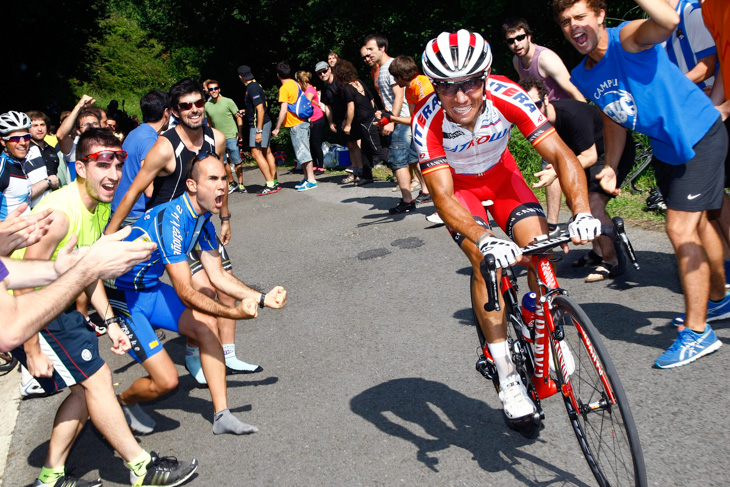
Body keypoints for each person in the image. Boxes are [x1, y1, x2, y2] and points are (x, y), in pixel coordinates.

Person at [415, 29, 599, 422]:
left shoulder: (508, 94)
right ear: (434, 87)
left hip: (502, 178)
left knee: (539, 251)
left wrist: (582, 211)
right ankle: (507, 373)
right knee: (490, 266)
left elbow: (562, 155)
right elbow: (443, 197)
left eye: (470, 84)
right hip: (458, 189)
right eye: (447, 88)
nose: (460, 97)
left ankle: (546, 326)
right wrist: (484, 239)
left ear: (485, 76)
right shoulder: (425, 121)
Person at [11, 128, 197, 487]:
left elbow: (89, 267)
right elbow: (25, 281)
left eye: (118, 163)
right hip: (30, 305)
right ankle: (142, 467)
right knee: (97, 380)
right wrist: (31, 349)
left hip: (56, 302)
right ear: (81, 167)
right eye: (102, 164)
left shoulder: (98, 204)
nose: (112, 174)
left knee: (85, 387)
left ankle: (49, 480)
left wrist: (110, 321)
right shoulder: (61, 214)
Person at [552, 0, 729, 368]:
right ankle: (718, 298)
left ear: (601, 16)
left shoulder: (627, 39)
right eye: (566, 21)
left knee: (680, 227)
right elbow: (614, 116)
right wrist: (612, 165)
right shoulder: (583, 74)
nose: (573, 26)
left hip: (699, 135)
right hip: (668, 148)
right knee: (703, 221)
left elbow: (666, 20)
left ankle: (698, 333)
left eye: (581, 17)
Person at [106, 152, 287, 435]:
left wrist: (262, 298)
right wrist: (233, 312)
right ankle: (121, 402)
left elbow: (218, 276)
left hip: (150, 289)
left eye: (224, 179)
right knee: (166, 382)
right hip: (125, 297)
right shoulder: (173, 220)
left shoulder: (202, 221)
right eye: (213, 179)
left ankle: (222, 415)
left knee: (207, 326)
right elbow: (185, 291)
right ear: (192, 186)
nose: (222, 186)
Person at [106, 77, 261, 389]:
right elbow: (134, 191)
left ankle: (228, 353)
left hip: (201, 224)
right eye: (185, 106)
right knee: (202, 289)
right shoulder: (164, 147)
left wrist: (226, 217)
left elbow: (220, 178)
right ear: (174, 111)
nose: (194, 110)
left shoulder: (214, 138)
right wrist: (108, 237)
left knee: (227, 286)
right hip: (170, 226)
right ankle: (195, 350)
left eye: (198, 103)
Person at [519, 76, 635, 281]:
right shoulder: (541, 126)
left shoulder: (571, 115)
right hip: (586, 155)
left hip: (611, 152)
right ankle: (598, 251)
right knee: (575, 200)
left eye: (536, 105)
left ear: (546, 100)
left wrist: (555, 171)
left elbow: (589, 156)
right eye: (528, 108)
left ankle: (612, 259)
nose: (533, 112)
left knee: (593, 204)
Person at [503, 17, 587, 237]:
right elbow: (526, 91)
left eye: (520, 38)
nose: (517, 44)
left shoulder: (546, 58)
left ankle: (556, 222)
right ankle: (558, 221)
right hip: (544, 119)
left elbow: (571, 86)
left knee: (555, 165)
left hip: (565, 116)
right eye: (511, 41)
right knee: (554, 166)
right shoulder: (517, 61)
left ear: (529, 36)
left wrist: (586, 117)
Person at [364, 33, 416, 214]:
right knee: (414, 159)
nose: (368, 53)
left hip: (401, 121)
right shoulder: (380, 69)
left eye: (371, 49)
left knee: (398, 162)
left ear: (382, 48)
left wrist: (391, 120)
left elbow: (399, 96)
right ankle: (424, 192)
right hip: (401, 119)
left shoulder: (391, 67)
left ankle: (407, 201)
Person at [112, 90, 171, 227]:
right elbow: (149, 190)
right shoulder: (150, 140)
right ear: (166, 112)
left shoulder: (135, 133)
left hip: (121, 209)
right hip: (135, 214)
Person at [385, 55, 434, 204]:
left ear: (400, 76)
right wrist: (388, 118)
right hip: (422, 131)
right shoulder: (408, 89)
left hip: (434, 132)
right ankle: (428, 193)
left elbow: (430, 116)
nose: (394, 81)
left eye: (395, 77)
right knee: (415, 158)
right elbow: (415, 120)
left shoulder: (422, 85)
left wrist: (392, 119)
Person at [333, 60, 388, 186]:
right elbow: (372, 100)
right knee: (365, 149)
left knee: (377, 150)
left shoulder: (347, 88)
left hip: (367, 122)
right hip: (367, 120)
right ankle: (367, 176)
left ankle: (399, 169)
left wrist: (348, 125)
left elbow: (351, 108)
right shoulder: (359, 82)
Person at [272, 61, 317, 191]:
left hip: (297, 124)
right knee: (301, 153)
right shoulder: (294, 83)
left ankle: (311, 180)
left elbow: (283, 110)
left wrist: (277, 128)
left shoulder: (284, 89)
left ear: (278, 75)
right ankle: (306, 177)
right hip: (301, 122)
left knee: (303, 153)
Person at [238, 65, 281, 195]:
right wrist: (247, 111)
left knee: (256, 153)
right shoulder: (256, 85)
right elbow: (257, 107)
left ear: (240, 77)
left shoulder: (252, 88)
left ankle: (270, 184)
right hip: (263, 122)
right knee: (267, 151)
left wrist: (259, 131)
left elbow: (260, 110)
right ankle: (274, 181)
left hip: (258, 124)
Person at [664, 0, 717, 92]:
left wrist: (671, 86)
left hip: (704, 98)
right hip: (682, 97)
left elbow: (707, 66)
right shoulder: (652, 24)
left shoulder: (693, 12)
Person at [205, 79, 247, 193]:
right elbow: (208, 122)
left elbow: (238, 117)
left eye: (215, 88)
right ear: (208, 91)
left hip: (231, 135)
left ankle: (241, 183)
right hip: (218, 138)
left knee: (237, 160)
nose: (213, 91)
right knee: (223, 162)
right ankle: (231, 182)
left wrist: (240, 132)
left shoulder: (228, 101)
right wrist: (209, 136)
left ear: (219, 89)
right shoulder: (207, 105)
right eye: (211, 89)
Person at [56, 95, 99, 181]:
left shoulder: (107, 146)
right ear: (78, 131)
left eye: (95, 123)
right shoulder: (73, 148)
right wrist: (78, 106)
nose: (91, 126)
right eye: (86, 124)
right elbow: (60, 135)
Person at [0, 111, 34, 219]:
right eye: (15, 138)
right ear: (3, 141)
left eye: (27, 137)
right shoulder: (2, 167)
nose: (23, 142)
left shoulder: (19, 163)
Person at [296, 71, 327, 176]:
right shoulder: (306, 89)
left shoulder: (309, 90)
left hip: (316, 119)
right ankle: (314, 166)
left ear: (300, 81)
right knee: (311, 144)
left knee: (316, 143)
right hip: (311, 120)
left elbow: (306, 105)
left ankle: (321, 167)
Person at [27, 111, 64, 186]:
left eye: (42, 125)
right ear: (28, 129)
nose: (40, 129)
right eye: (35, 126)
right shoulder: (25, 151)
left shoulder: (52, 150)